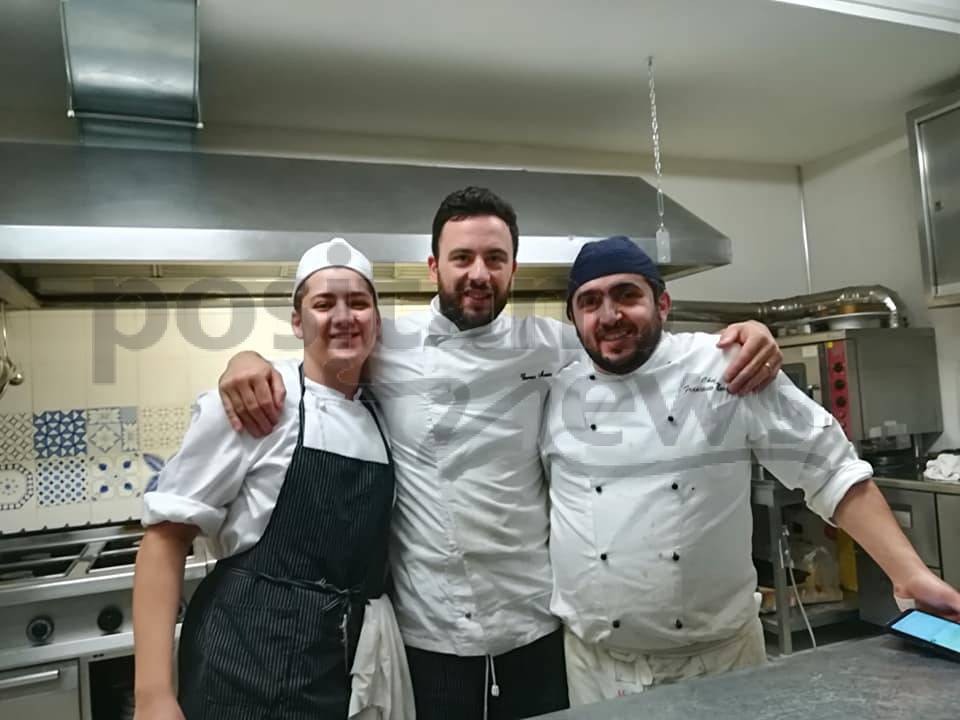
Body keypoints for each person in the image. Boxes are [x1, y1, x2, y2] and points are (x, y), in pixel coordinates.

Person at [216, 187, 784, 719]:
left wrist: (749, 332)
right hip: (430, 633)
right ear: (434, 268)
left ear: (514, 266)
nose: (479, 274)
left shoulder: (551, 344)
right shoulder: (386, 346)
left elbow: (646, 349)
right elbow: (314, 363)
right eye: (462, 259)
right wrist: (241, 359)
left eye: (495, 258)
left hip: (536, 628)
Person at [541, 235, 960, 705]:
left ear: (662, 303)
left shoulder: (727, 364)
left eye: (627, 295)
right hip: (597, 670)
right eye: (590, 302)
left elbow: (829, 468)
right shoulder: (552, 386)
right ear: (573, 318)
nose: (610, 315)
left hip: (719, 663)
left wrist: (907, 574)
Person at [133, 239, 406, 719]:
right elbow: (164, 538)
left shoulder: (384, 413)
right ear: (298, 322)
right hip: (240, 666)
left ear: (377, 322)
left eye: (359, 302)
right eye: (324, 303)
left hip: (337, 668)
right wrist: (153, 696)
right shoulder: (257, 402)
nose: (344, 316)